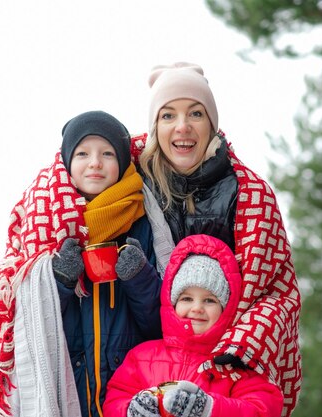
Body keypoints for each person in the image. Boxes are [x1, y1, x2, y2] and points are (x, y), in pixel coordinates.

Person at [129, 62, 302, 417]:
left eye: (196, 113)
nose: (182, 127)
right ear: (154, 126)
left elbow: (276, 291)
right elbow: (80, 162)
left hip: (224, 360)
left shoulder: (248, 192)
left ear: (212, 124)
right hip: (149, 349)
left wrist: (229, 353)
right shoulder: (130, 177)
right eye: (167, 115)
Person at [0, 111, 162, 417]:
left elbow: (161, 324)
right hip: (68, 394)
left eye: (107, 153)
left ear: (124, 161)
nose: (95, 162)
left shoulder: (143, 222)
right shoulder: (44, 228)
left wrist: (140, 277)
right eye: (83, 153)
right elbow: (27, 325)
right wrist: (58, 281)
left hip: (128, 395)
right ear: (68, 164)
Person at [103, 234, 283, 417]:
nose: (197, 308)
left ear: (226, 308)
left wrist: (209, 408)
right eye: (187, 298)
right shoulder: (141, 356)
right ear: (171, 303)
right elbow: (115, 399)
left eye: (210, 300)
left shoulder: (236, 364)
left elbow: (263, 409)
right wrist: (130, 411)